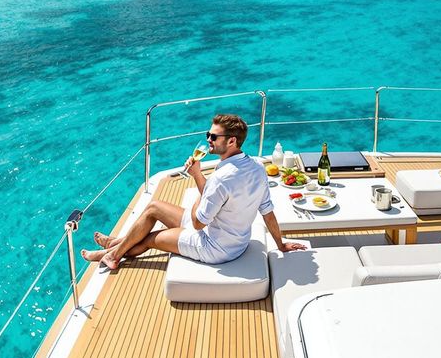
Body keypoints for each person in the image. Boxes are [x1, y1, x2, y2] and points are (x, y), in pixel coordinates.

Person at [83, 113, 305, 270]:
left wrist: (201, 186)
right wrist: (280, 244)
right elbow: (267, 212)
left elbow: (199, 223)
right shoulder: (257, 166)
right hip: (235, 239)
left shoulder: (221, 177)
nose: (208, 139)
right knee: (153, 208)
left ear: (231, 141)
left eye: (213, 137)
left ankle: (112, 255)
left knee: (151, 238)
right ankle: (115, 244)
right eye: (208, 134)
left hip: (214, 247)